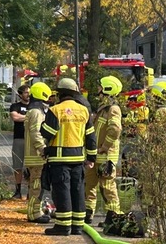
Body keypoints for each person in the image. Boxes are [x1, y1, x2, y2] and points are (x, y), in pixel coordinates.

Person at [41, 78, 97, 236]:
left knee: (62, 190)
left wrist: (42, 125)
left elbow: (48, 132)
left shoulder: (55, 110)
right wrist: (91, 158)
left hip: (60, 160)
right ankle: (77, 226)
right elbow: (91, 137)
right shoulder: (84, 111)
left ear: (60, 94)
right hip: (78, 160)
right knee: (78, 191)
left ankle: (63, 226)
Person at [84, 76, 123, 227]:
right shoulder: (103, 109)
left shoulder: (113, 109)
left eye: (100, 87)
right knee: (90, 184)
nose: (98, 90)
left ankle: (114, 218)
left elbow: (115, 130)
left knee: (107, 187)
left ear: (107, 89)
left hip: (106, 156)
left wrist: (105, 147)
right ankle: (87, 214)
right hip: (97, 155)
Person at [24, 82, 54, 223]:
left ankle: (37, 210)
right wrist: (42, 148)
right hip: (36, 156)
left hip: (35, 155)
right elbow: (36, 132)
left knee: (37, 185)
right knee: (36, 185)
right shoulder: (36, 112)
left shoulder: (35, 110)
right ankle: (33, 213)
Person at [8, 84, 31, 199]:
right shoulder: (15, 106)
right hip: (19, 139)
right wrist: (29, 117)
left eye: (29, 92)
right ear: (21, 94)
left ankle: (30, 190)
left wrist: (23, 116)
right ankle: (18, 191)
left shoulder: (34, 106)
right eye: (26, 92)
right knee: (18, 166)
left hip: (30, 140)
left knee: (30, 166)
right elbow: (15, 117)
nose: (28, 94)